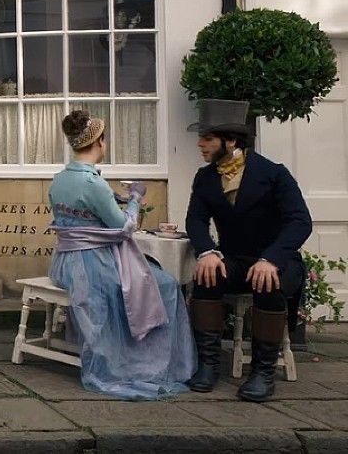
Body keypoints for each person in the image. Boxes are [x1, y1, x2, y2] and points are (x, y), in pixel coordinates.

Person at [47, 110, 194, 400]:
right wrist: (137, 197)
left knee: (149, 280)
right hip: (92, 264)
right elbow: (125, 227)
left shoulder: (60, 178)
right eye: (105, 139)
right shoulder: (93, 183)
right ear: (99, 142)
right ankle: (151, 363)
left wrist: (117, 199)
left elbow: (83, 215)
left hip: (65, 261)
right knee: (165, 285)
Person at [185, 99, 311, 402]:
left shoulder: (274, 174)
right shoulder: (205, 178)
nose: (200, 144)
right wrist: (207, 252)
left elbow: (300, 222)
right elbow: (196, 220)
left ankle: (263, 373)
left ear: (230, 141)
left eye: (208, 138)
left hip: (279, 262)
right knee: (205, 277)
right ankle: (209, 366)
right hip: (235, 261)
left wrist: (271, 258)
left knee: (268, 281)